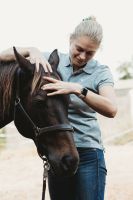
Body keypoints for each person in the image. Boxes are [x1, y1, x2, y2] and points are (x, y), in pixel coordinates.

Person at [0, 16, 117, 200]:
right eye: (79, 49)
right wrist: (31, 50)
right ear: (70, 40)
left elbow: (111, 109)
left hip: (87, 153)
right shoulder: (49, 63)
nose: (82, 56)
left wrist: (78, 89)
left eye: (90, 53)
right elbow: (2, 56)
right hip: (57, 150)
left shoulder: (100, 72)